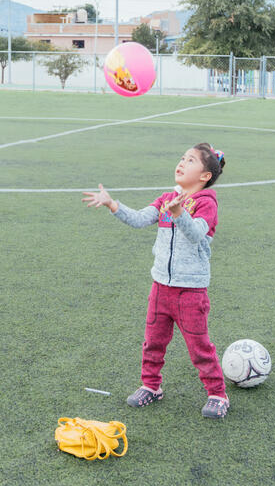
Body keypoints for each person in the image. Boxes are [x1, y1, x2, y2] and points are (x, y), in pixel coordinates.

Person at [83, 144, 230, 419]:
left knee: (199, 346)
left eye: (191, 160)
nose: (182, 162)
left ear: (205, 176)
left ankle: (217, 394)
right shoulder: (166, 198)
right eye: (182, 158)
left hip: (191, 291)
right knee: (153, 341)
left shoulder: (206, 202)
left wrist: (179, 214)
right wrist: (112, 204)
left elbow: (197, 233)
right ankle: (151, 386)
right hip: (161, 286)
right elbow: (139, 219)